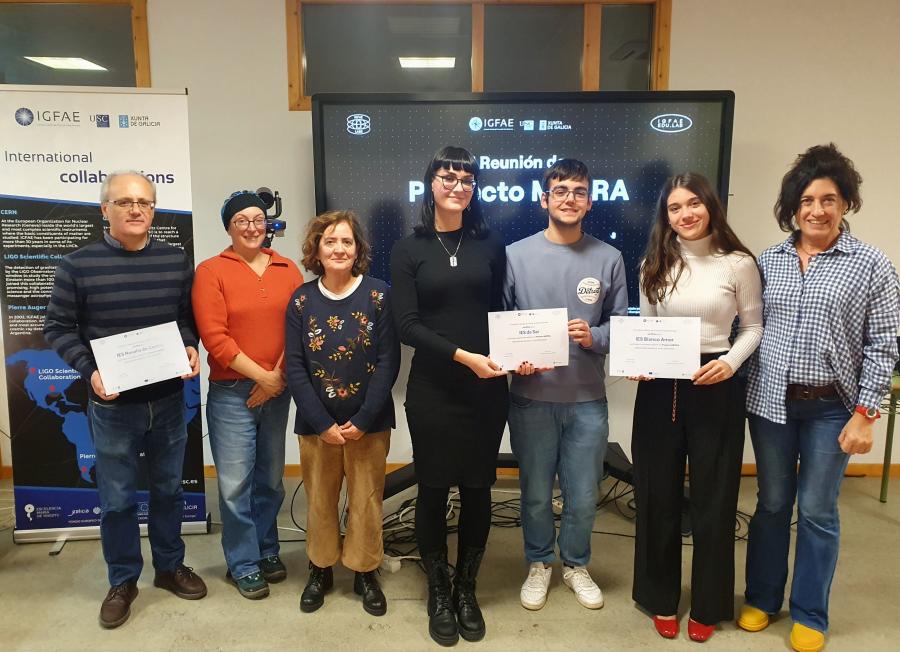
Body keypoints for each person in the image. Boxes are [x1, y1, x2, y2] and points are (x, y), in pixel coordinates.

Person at [739, 144, 900, 652]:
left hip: (834, 407)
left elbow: (885, 343)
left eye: (828, 199)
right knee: (772, 504)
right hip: (771, 404)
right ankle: (763, 599)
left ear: (846, 203)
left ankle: (810, 612)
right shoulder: (769, 260)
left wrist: (866, 413)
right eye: (807, 199)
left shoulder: (872, 264)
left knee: (816, 509)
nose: (817, 210)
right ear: (793, 206)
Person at [43, 170, 206, 629]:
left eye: (145, 202)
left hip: (170, 400)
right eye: (125, 202)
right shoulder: (77, 265)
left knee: (170, 491)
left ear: (154, 210)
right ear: (105, 210)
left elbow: (184, 320)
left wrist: (190, 345)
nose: (136, 209)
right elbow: (57, 328)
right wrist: (90, 371)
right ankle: (123, 579)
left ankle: (170, 566)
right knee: (116, 500)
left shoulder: (176, 261)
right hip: (113, 405)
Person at [629, 172, 762, 642]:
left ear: (710, 206)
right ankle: (659, 596)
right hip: (661, 388)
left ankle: (708, 603)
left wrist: (729, 363)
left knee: (715, 498)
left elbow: (752, 327)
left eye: (693, 205)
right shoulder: (654, 262)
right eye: (674, 208)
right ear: (665, 216)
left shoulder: (738, 263)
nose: (685, 215)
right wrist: (638, 361)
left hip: (716, 384)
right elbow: (645, 326)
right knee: (656, 495)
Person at [390, 146, 508, 646]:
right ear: (430, 184)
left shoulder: (490, 244)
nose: (457, 185)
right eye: (447, 176)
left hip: (487, 389)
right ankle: (439, 589)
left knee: (479, 487)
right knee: (435, 487)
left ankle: (466, 588)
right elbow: (407, 326)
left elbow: (501, 314)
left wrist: (516, 353)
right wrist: (464, 356)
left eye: (466, 178)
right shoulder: (408, 248)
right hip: (433, 389)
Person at [504, 158, 628, 614]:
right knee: (535, 494)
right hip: (531, 399)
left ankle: (575, 564)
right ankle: (539, 563)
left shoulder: (609, 258)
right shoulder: (516, 254)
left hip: (587, 401)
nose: (569, 198)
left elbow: (621, 329)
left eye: (578, 191)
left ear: (590, 201)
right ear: (544, 200)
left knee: (582, 494)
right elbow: (500, 325)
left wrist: (592, 336)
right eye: (560, 191)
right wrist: (512, 355)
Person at [286, 210, 400, 617]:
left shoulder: (379, 294)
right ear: (317, 248)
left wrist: (365, 418)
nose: (338, 248)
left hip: (369, 424)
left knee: (367, 500)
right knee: (320, 499)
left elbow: (388, 360)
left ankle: (365, 570)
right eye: (330, 241)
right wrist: (322, 423)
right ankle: (320, 569)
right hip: (317, 426)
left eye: (346, 242)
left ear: (358, 250)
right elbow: (295, 366)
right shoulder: (301, 299)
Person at [192, 190, 303, 599]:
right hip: (231, 393)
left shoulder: (287, 268)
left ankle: (267, 549)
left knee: (271, 480)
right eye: (242, 220)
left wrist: (276, 378)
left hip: (279, 387)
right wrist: (264, 379)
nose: (253, 227)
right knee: (236, 485)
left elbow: (298, 328)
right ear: (228, 227)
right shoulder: (211, 271)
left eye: (259, 219)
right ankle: (243, 561)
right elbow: (215, 340)